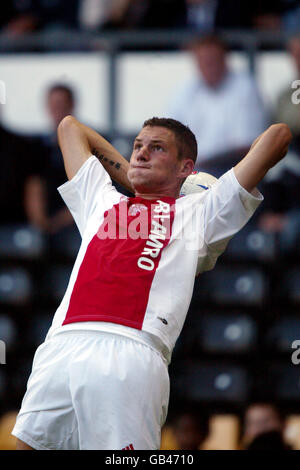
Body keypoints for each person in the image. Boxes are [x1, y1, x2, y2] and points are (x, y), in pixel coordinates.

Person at [12, 116, 291, 450]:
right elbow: (70, 128)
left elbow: (278, 136)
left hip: (131, 352)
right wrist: (134, 178)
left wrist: (206, 187)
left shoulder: (200, 212)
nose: (141, 154)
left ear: (186, 168)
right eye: (137, 146)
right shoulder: (103, 200)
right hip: (60, 344)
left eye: (156, 148)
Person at [166, 35, 268, 173]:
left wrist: (200, 164)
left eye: (212, 61)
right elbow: (168, 135)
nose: (208, 66)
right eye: (203, 61)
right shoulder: (186, 91)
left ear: (225, 59)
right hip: (190, 170)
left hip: (231, 172)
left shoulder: (245, 88)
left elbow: (247, 147)